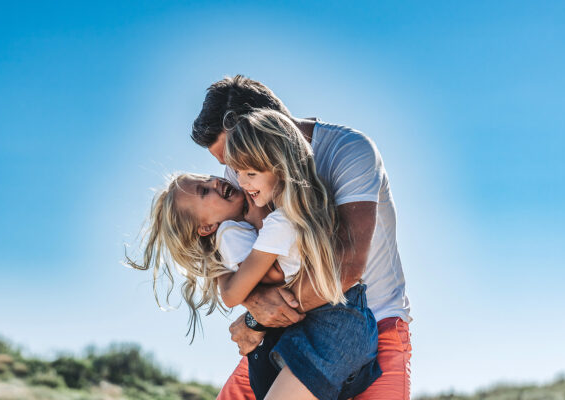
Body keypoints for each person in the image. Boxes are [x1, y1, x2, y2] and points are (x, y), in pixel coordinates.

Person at [130, 109, 382, 399]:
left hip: (332, 323)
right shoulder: (245, 226)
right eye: (204, 191)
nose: (225, 180)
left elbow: (262, 278)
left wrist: (255, 300)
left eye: (248, 172)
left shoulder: (273, 220)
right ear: (206, 227)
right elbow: (244, 283)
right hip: (339, 321)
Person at [191, 75, 412, 400]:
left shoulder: (349, 151)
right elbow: (216, 242)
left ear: (265, 130)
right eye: (228, 165)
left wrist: (255, 320)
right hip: (285, 327)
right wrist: (254, 303)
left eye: (239, 161)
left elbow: (345, 270)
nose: (234, 175)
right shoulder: (242, 175)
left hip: (370, 320)